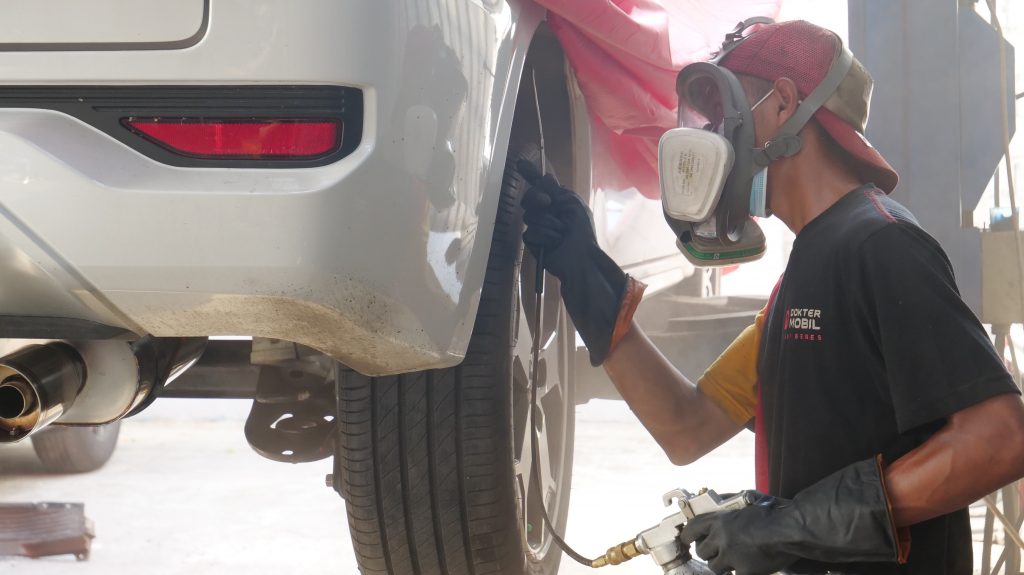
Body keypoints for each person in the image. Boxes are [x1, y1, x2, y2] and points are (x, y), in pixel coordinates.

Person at [518, 19, 1024, 575]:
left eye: (724, 112)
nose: (712, 135)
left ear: (784, 104)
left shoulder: (882, 243)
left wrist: (788, 525)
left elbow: (999, 437)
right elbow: (688, 425)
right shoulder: (800, 277)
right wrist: (590, 277)